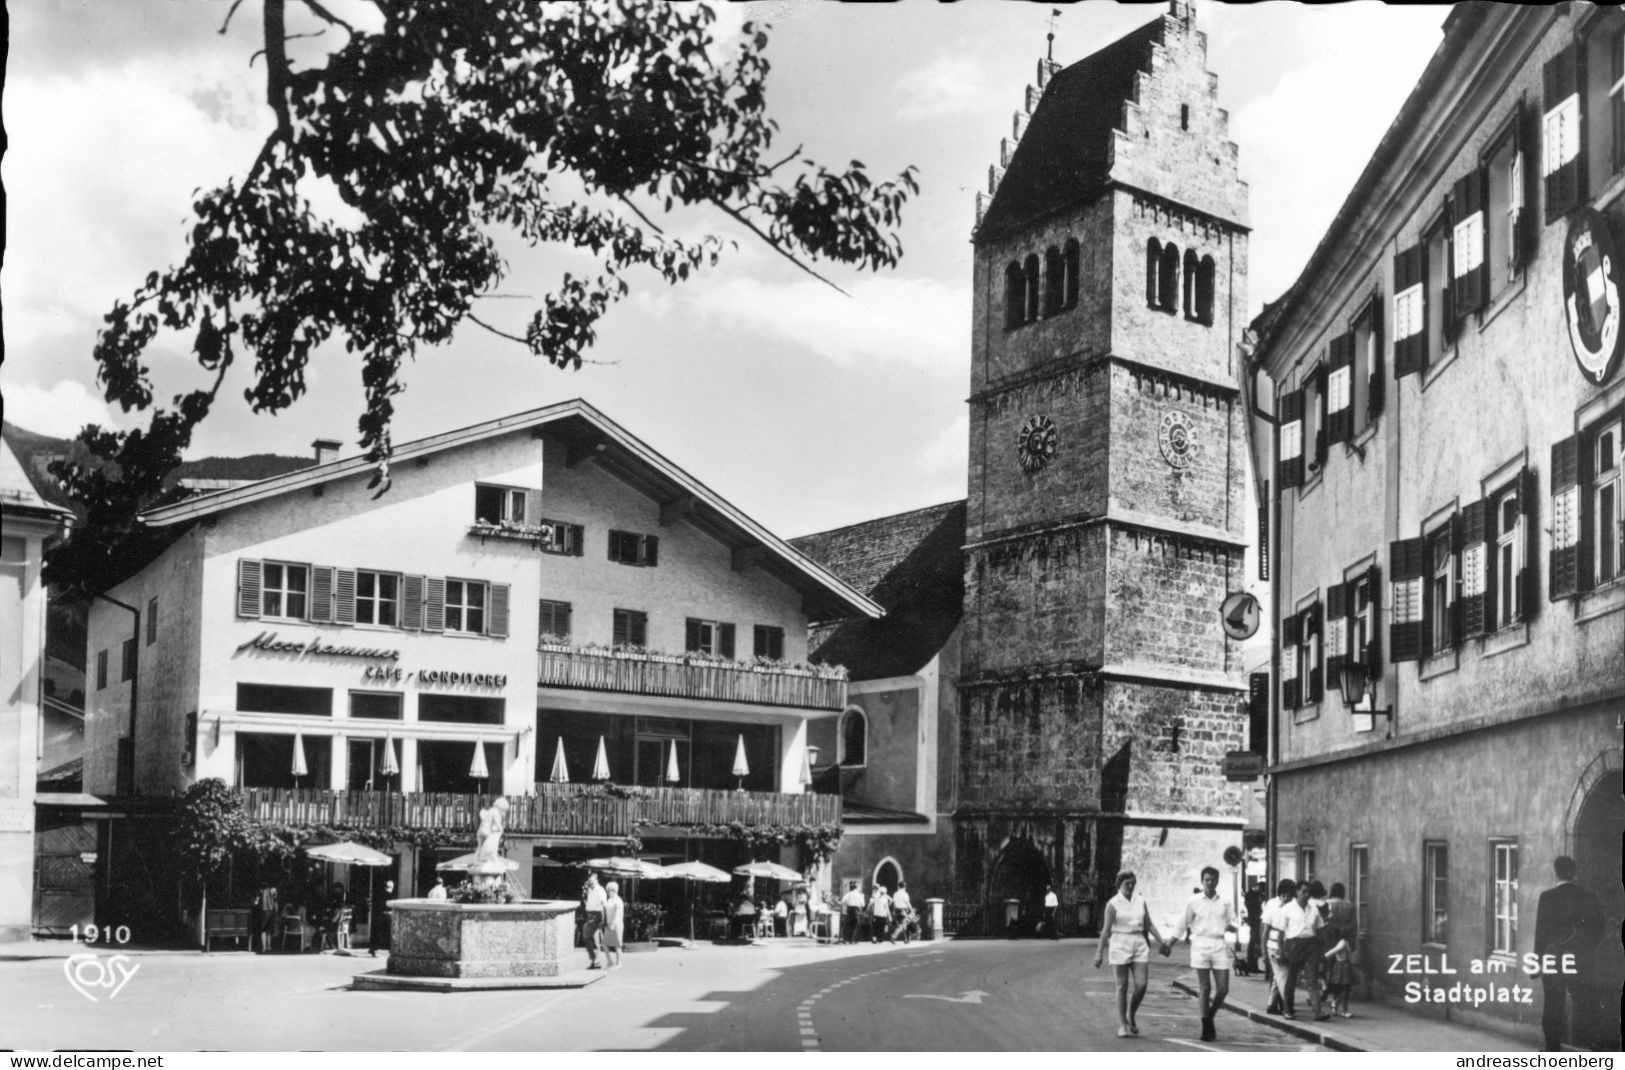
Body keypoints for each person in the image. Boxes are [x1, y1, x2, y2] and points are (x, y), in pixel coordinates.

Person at [1533, 855, 1605, 1051]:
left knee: (1553, 1006)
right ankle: (1596, 1051)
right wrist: (1585, 951)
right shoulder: (1588, 896)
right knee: (1587, 1004)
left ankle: (1552, 1050)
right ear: (1573, 873)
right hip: (1580, 961)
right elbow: (1599, 931)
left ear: (1556, 873)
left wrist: (1536, 963)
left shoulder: (1547, 897)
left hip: (1553, 961)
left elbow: (1541, 934)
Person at [1093, 870, 1171, 1039]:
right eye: (1127, 883)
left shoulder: (1140, 900)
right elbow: (1106, 930)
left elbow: (1148, 924)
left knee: (1142, 985)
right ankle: (1122, 1024)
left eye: (1133, 883)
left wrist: (1161, 941)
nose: (1130, 886)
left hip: (1139, 943)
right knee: (1122, 986)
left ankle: (1131, 1014)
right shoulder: (1112, 904)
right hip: (1120, 943)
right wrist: (1099, 953)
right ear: (1119, 885)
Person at [1174, 865, 1238, 1041]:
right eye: (1206, 880)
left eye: (1213, 880)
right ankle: (1206, 1025)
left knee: (1223, 989)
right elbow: (1182, 923)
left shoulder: (1224, 902)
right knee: (1204, 987)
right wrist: (1170, 942)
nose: (1210, 883)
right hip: (1200, 944)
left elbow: (1232, 922)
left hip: (1218, 944)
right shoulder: (1193, 901)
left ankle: (1210, 1015)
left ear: (1217, 881)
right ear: (1202, 881)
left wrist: (1232, 927)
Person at [1279, 880, 1326, 1020]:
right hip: (1294, 944)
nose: (1306, 894)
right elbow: (1281, 933)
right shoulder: (1287, 909)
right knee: (1292, 978)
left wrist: (1321, 950)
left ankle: (1318, 1012)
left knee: (1312, 978)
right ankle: (1288, 1010)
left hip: (1311, 944)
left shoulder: (1313, 909)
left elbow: (1320, 929)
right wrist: (1281, 952)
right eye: (1303, 891)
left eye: (1308, 892)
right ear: (1297, 892)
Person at [1321, 882, 1357, 1018]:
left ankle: (1331, 997)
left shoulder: (1327, 903)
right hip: (1345, 939)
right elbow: (1354, 925)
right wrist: (1352, 943)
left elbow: (1325, 922)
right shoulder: (1350, 905)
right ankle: (1337, 1002)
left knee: (1331, 972)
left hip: (1330, 940)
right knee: (1343, 977)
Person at [1261, 878, 1296, 1014]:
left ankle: (1272, 1003)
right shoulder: (1273, 908)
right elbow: (1264, 932)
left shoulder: (1293, 909)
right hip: (1275, 947)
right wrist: (1263, 952)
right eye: (1284, 895)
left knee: (1278, 976)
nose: (1287, 898)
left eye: (1289, 895)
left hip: (1289, 947)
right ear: (1280, 895)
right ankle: (1288, 1008)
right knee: (1284, 978)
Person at [582, 872, 607, 968]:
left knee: (589, 937)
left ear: (597, 880)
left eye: (592, 881)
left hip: (596, 916)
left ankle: (596, 960)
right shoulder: (590, 890)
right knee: (591, 938)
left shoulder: (600, 890)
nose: (591, 883)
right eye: (589, 881)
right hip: (590, 915)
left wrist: (603, 919)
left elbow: (603, 905)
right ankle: (595, 961)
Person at [368, 879, 395, 957]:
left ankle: (373, 949)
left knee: (377, 933)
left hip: (379, 915)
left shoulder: (379, 894)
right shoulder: (390, 896)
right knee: (388, 933)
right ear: (391, 887)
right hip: (387, 916)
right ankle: (389, 950)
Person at [602, 881, 625, 970]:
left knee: (617, 945)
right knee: (604, 944)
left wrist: (613, 924)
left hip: (617, 925)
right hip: (609, 925)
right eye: (607, 890)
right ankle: (610, 962)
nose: (608, 892)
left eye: (609, 890)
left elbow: (618, 914)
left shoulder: (618, 901)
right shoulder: (609, 900)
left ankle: (619, 963)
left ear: (614, 890)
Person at [1241, 886, 1263, 976]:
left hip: (1254, 922)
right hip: (1255, 922)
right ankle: (1252, 965)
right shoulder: (1253, 901)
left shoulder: (1250, 897)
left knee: (1253, 943)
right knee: (1254, 944)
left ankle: (1252, 965)